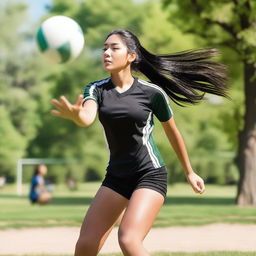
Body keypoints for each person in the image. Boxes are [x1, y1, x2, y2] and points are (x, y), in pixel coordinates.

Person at [51, 29, 228, 255]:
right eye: (104, 48)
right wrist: (77, 116)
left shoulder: (151, 92)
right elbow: (87, 117)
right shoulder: (96, 89)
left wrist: (189, 171)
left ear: (131, 56)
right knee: (85, 246)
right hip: (116, 176)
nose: (106, 52)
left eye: (114, 48)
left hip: (149, 174)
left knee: (128, 239)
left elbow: (173, 132)